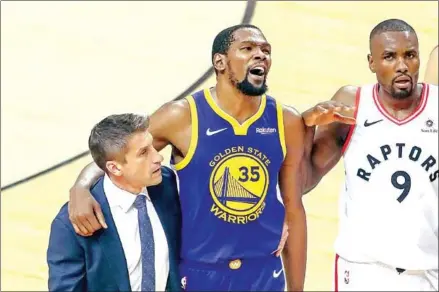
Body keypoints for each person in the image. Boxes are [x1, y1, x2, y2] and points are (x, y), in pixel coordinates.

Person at [66, 24, 307, 291]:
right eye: (247, 49)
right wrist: (80, 186)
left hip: (264, 272)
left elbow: (294, 208)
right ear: (220, 62)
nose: (260, 55)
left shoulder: (286, 120)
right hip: (199, 272)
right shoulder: (181, 116)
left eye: (265, 50)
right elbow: (121, 154)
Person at [302, 19, 438, 291]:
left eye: (409, 55)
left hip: (429, 268)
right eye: (389, 56)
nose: (402, 66)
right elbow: (305, 180)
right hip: (364, 270)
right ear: (371, 62)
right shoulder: (352, 104)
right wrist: (306, 126)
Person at [47, 114, 182, 292]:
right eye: (144, 152)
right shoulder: (72, 222)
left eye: (152, 147)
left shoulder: (168, 186)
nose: (158, 157)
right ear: (114, 168)